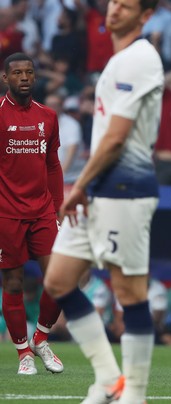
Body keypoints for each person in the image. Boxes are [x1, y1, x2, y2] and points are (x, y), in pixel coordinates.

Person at [42, 0, 164, 401]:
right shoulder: (118, 60)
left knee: (129, 293)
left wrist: (79, 186)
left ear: (145, 15)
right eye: (113, 2)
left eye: (126, 5)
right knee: (59, 279)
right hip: (98, 192)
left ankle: (136, 393)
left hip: (123, 192)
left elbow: (116, 138)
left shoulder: (139, 58)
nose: (115, 10)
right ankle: (110, 378)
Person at [0, 52, 64, 376]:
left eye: (28, 72)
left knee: (60, 278)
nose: (23, 77)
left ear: (35, 78)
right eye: (17, 73)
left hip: (41, 210)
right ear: (5, 78)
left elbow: (52, 164)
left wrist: (59, 205)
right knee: (12, 283)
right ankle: (23, 352)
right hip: (6, 214)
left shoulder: (48, 116)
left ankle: (41, 338)